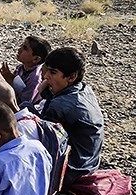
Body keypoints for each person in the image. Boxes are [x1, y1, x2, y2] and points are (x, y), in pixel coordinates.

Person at [36, 47, 104, 185]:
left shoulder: (60, 105)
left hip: (73, 170)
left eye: (53, 72)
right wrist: (46, 93)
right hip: (90, 162)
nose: (46, 76)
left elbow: (43, 139)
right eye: (47, 70)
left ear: (71, 77)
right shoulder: (84, 89)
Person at [0, 35, 51, 106]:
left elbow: (25, 103)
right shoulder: (21, 68)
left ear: (36, 59)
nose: (19, 49)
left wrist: (11, 80)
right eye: (21, 46)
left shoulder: (35, 78)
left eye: (25, 48)